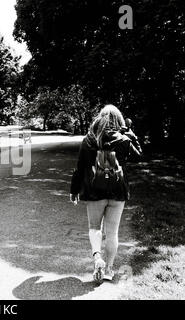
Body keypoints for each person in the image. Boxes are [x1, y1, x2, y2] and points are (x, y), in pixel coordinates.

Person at [69, 104, 142, 282]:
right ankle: (108, 269)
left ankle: (97, 258)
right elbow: (139, 156)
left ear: (99, 118)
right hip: (118, 191)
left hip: (94, 190)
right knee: (112, 233)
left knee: (94, 228)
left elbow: (79, 168)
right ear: (119, 121)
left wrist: (74, 189)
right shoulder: (124, 140)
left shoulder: (89, 139)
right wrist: (132, 135)